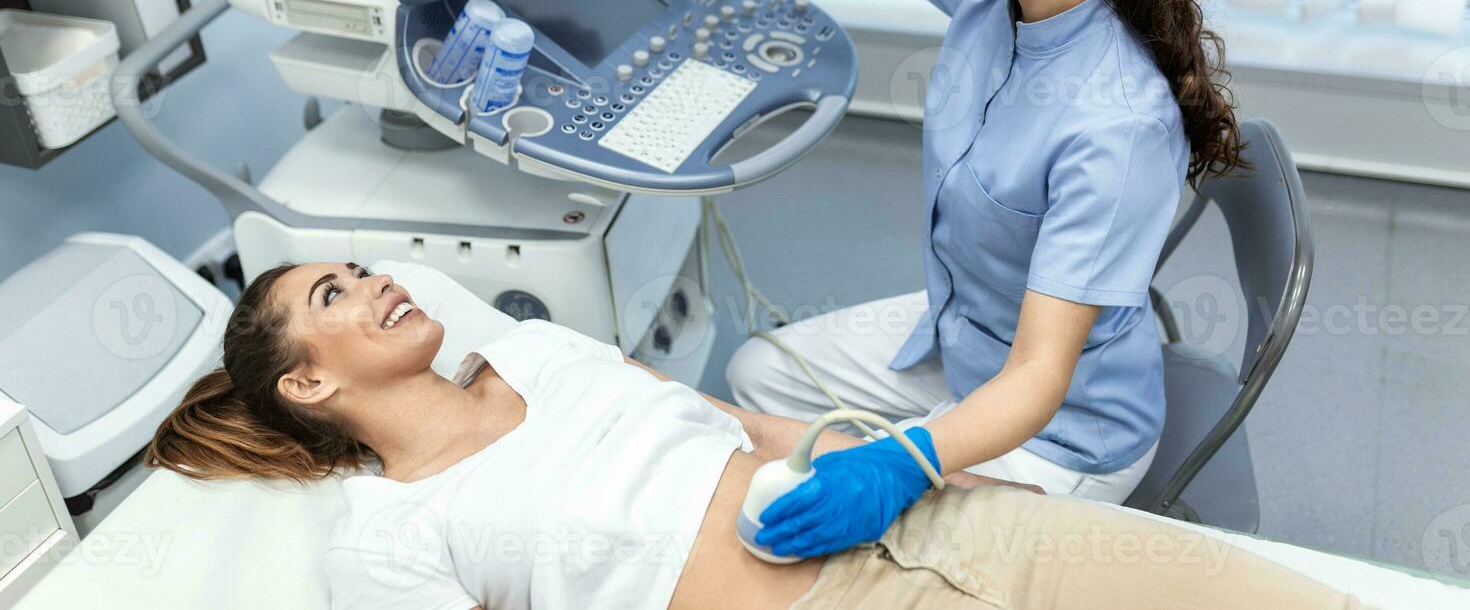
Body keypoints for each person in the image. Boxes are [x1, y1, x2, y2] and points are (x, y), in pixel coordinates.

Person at [620, 0, 1241, 557]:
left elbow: (1039, 377)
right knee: (758, 375)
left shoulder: (1117, 124)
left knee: (847, 528)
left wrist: (902, 462)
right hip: (967, 337)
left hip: (1062, 431)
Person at [146, 262, 1366, 609]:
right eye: (333, 299)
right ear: (306, 382)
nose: (373, 287)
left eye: (360, 269)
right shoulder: (390, 532)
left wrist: (925, 451)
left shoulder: (538, 350)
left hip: (924, 511)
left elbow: (732, 416)